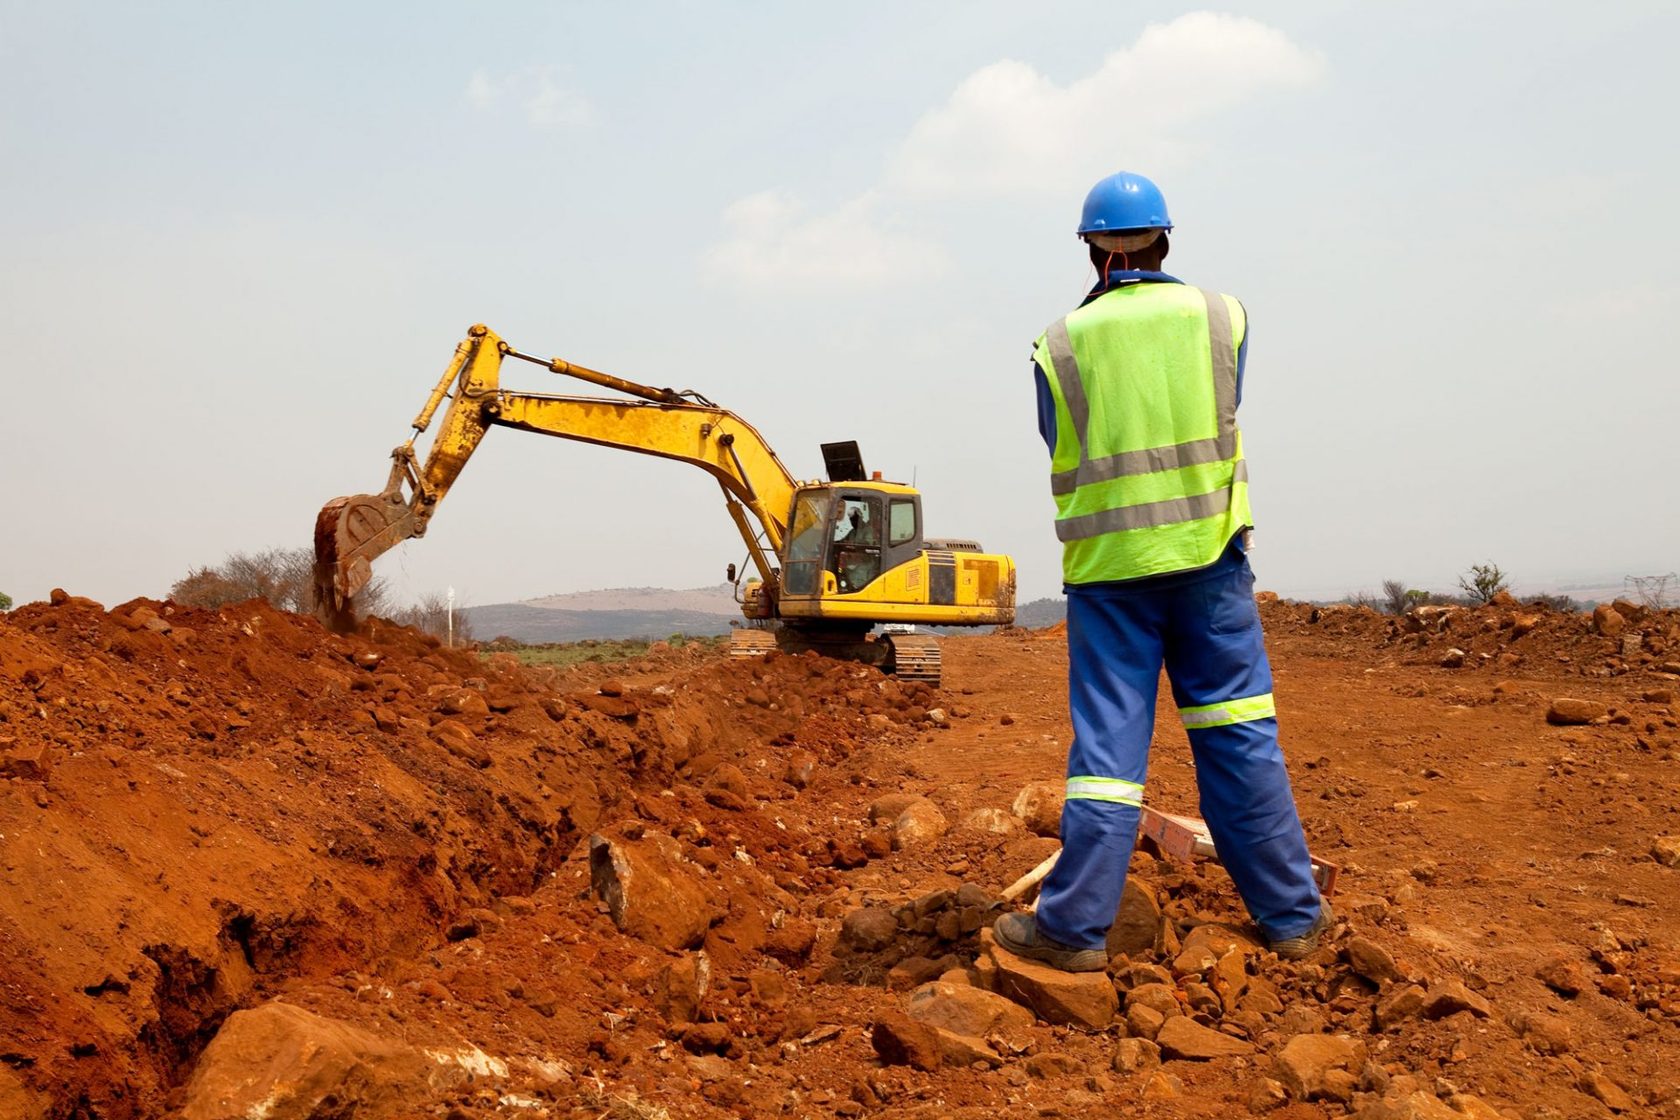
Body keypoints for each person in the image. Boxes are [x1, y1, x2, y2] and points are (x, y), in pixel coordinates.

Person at [993, 171, 1329, 972]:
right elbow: (1224, 407)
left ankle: (1073, 934)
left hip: (1111, 580)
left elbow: (1058, 439)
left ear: (1091, 251)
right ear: (1165, 239)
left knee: (1108, 762)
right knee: (1240, 738)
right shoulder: (1222, 316)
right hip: (1212, 569)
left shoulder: (1060, 343)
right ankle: (1292, 921)